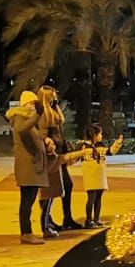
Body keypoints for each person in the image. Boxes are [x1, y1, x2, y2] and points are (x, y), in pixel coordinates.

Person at [6, 91, 48, 244]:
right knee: (27, 201)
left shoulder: (28, 120)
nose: (33, 106)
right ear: (25, 104)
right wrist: (36, 115)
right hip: (28, 166)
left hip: (33, 166)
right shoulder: (20, 118)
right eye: (32, 103)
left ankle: (27, 232)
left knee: (29, 200)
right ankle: (26, 232)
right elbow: (23, 130)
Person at [37, 82, 80, 229]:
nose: (55, 99)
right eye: (52, 97)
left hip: (60, 155)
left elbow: (59, 134)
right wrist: (50, 144)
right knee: (50, 190)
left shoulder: (54, 111)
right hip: (52, 157)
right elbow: (42, 136)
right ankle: (47, 220)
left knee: (66, 186)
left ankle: (66, 218)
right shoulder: (43, 114)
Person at [74, 125, 123, 227]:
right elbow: (74, 157)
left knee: (98, 198)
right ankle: (88, 220)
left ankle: (96, 219)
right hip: (90, 175)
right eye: (100, 134)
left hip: (100, 175)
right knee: (91, 198)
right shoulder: (83, 146)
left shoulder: (100, 146)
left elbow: (110, 151)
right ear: (94, 135)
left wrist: (117, 143)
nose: (101, 136)